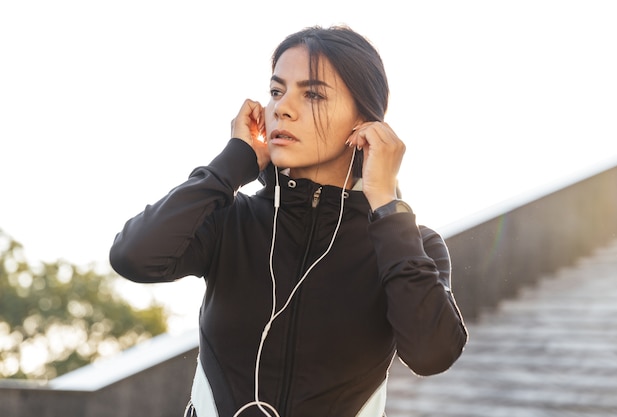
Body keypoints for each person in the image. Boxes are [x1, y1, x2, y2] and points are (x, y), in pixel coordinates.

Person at [109, 25, 468, 417]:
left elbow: (433, 353)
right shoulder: (231, 221)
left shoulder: (410, 245)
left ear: (364, 120)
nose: (281, 107)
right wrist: (232, 163)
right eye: (277, 91)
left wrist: (384, 202)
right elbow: (133, 256)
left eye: (312, 93)